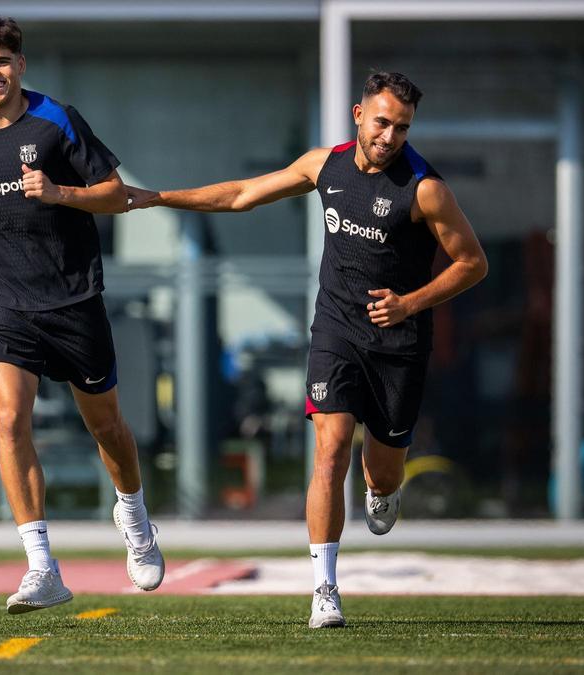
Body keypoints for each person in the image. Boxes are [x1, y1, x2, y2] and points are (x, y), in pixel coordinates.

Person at [126, 72, 487, 628]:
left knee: (383, 471)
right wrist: (158, 198)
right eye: (382, 121)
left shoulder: (425, 189)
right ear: (358, 114)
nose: (390, 136)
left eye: (402, 127)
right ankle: (325, 588)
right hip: (336, 332)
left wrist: (410, 304)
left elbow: (472, 263)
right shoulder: (325, 166)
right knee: (331, 447)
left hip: (400, 343)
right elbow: (243, 194)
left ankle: (382, 490)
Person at [0, 15, 164, 614]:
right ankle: (42, 567)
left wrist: (59, 193)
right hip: (3, 302)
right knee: (8, 418)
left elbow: (115, 194)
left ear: (20, 66)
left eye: (2, 62)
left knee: (107, 428)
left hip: (73, 300)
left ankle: (133, 513)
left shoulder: (58, 121)